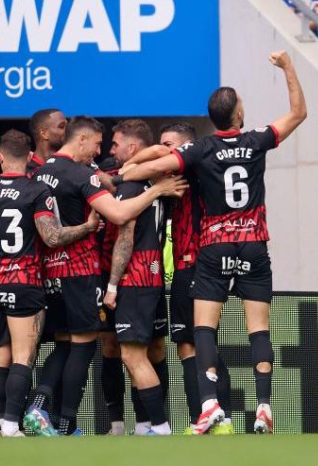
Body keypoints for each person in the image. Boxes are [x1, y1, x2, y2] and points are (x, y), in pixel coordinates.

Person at [115, 50, 307, 434]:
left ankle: (209, 405)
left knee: (203, 329)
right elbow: (298, 113)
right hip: (254, 243)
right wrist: (288, 67)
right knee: (259, 329)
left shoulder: (199, 149)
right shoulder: (256, 140)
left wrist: (134, 167)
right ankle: (264, 407)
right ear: (239, 113)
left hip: (214, 246)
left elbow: (140, 170)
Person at [24, 116, 185, 436]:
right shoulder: (82, 175)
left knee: (64, 346)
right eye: (98, 144)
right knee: (86, 347)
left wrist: (131, 171)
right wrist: (157, 190)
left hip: (49, 272)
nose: (101, 151)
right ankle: (70, 425)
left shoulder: (39, 174)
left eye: (109, 144)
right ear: (81, 140)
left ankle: (38, 408)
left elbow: (49, 233)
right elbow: (120, 214)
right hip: (84, 272)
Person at [0, 129, 99, 437]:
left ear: (0, 157)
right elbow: (52, 237)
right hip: (23, 281)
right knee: (22, 356)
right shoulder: (36, 190)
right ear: (30, 157)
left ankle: (5, 422)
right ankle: (11, 424)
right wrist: (87, 227)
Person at [120, 121, 237, 434]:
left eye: (168, 145)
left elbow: (127, 171)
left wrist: (147, 156)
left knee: (188, 345)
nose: (162, 151)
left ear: (186, 147)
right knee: (206, 343)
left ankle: (201, 418)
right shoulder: (201, 170)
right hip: (209, 264)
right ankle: (223, 420)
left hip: (193, 265)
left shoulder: (186, 168)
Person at [102, 119, 172, 436]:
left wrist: (112, 285)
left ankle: (160, 426)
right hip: (153, 275)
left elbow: (125, 237)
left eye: (115, 144)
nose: (111, 149)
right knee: (153, 351)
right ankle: (145, 425)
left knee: (132, 355)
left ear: (132, 147)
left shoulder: (130, 187)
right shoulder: (153, 181)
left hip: (135, 278)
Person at [27, 108, 67, 175]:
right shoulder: (25, 169)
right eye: (62, 127)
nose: (68, 130)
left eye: (68, 126)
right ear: (44, 134)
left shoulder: (72, 166)